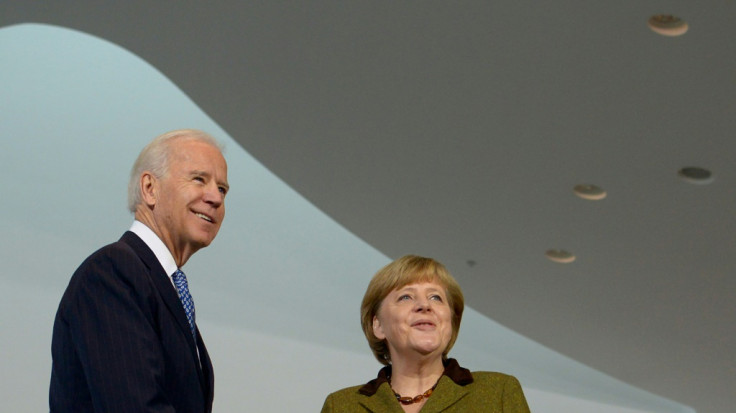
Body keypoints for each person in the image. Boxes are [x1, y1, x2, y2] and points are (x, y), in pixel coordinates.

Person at [49, 129, 229, 413]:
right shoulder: (112, 273)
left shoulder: (160, 283)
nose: (216, 198)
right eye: (199, 179)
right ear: (149, 188)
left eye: (222, 189)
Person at [321, 255, 531, 413]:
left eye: (436, 297)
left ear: (450, 322)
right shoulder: (340, 406)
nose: (424, 305)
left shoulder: (498, 393)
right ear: (378, 326)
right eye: (405, 297)